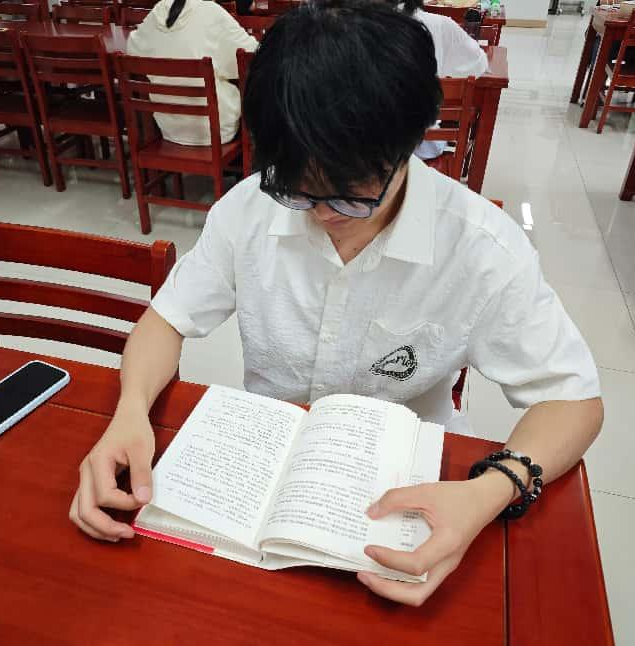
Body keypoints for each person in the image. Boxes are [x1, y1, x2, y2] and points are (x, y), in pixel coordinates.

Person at [72, 0, 603, 607]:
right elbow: (166, 320)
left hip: (395, 489)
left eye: (350, 195)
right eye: (299, 191)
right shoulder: (250, 209)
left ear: (410, 147)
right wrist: (130, 411)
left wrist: (490, 490)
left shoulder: (481, 248)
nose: (323, 214)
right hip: (259, 470)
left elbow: (573, 401)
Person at [126, 0, 258, 146]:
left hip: (169, 128)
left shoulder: (157, 12)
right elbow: (251, 57)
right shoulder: (211, 12)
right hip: (217, 131)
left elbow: (132, 48)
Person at [392, 0, 488, 160]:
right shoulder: (439, 24)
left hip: (363, 152)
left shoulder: (357, 26)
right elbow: (478, 64)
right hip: (423, 145)